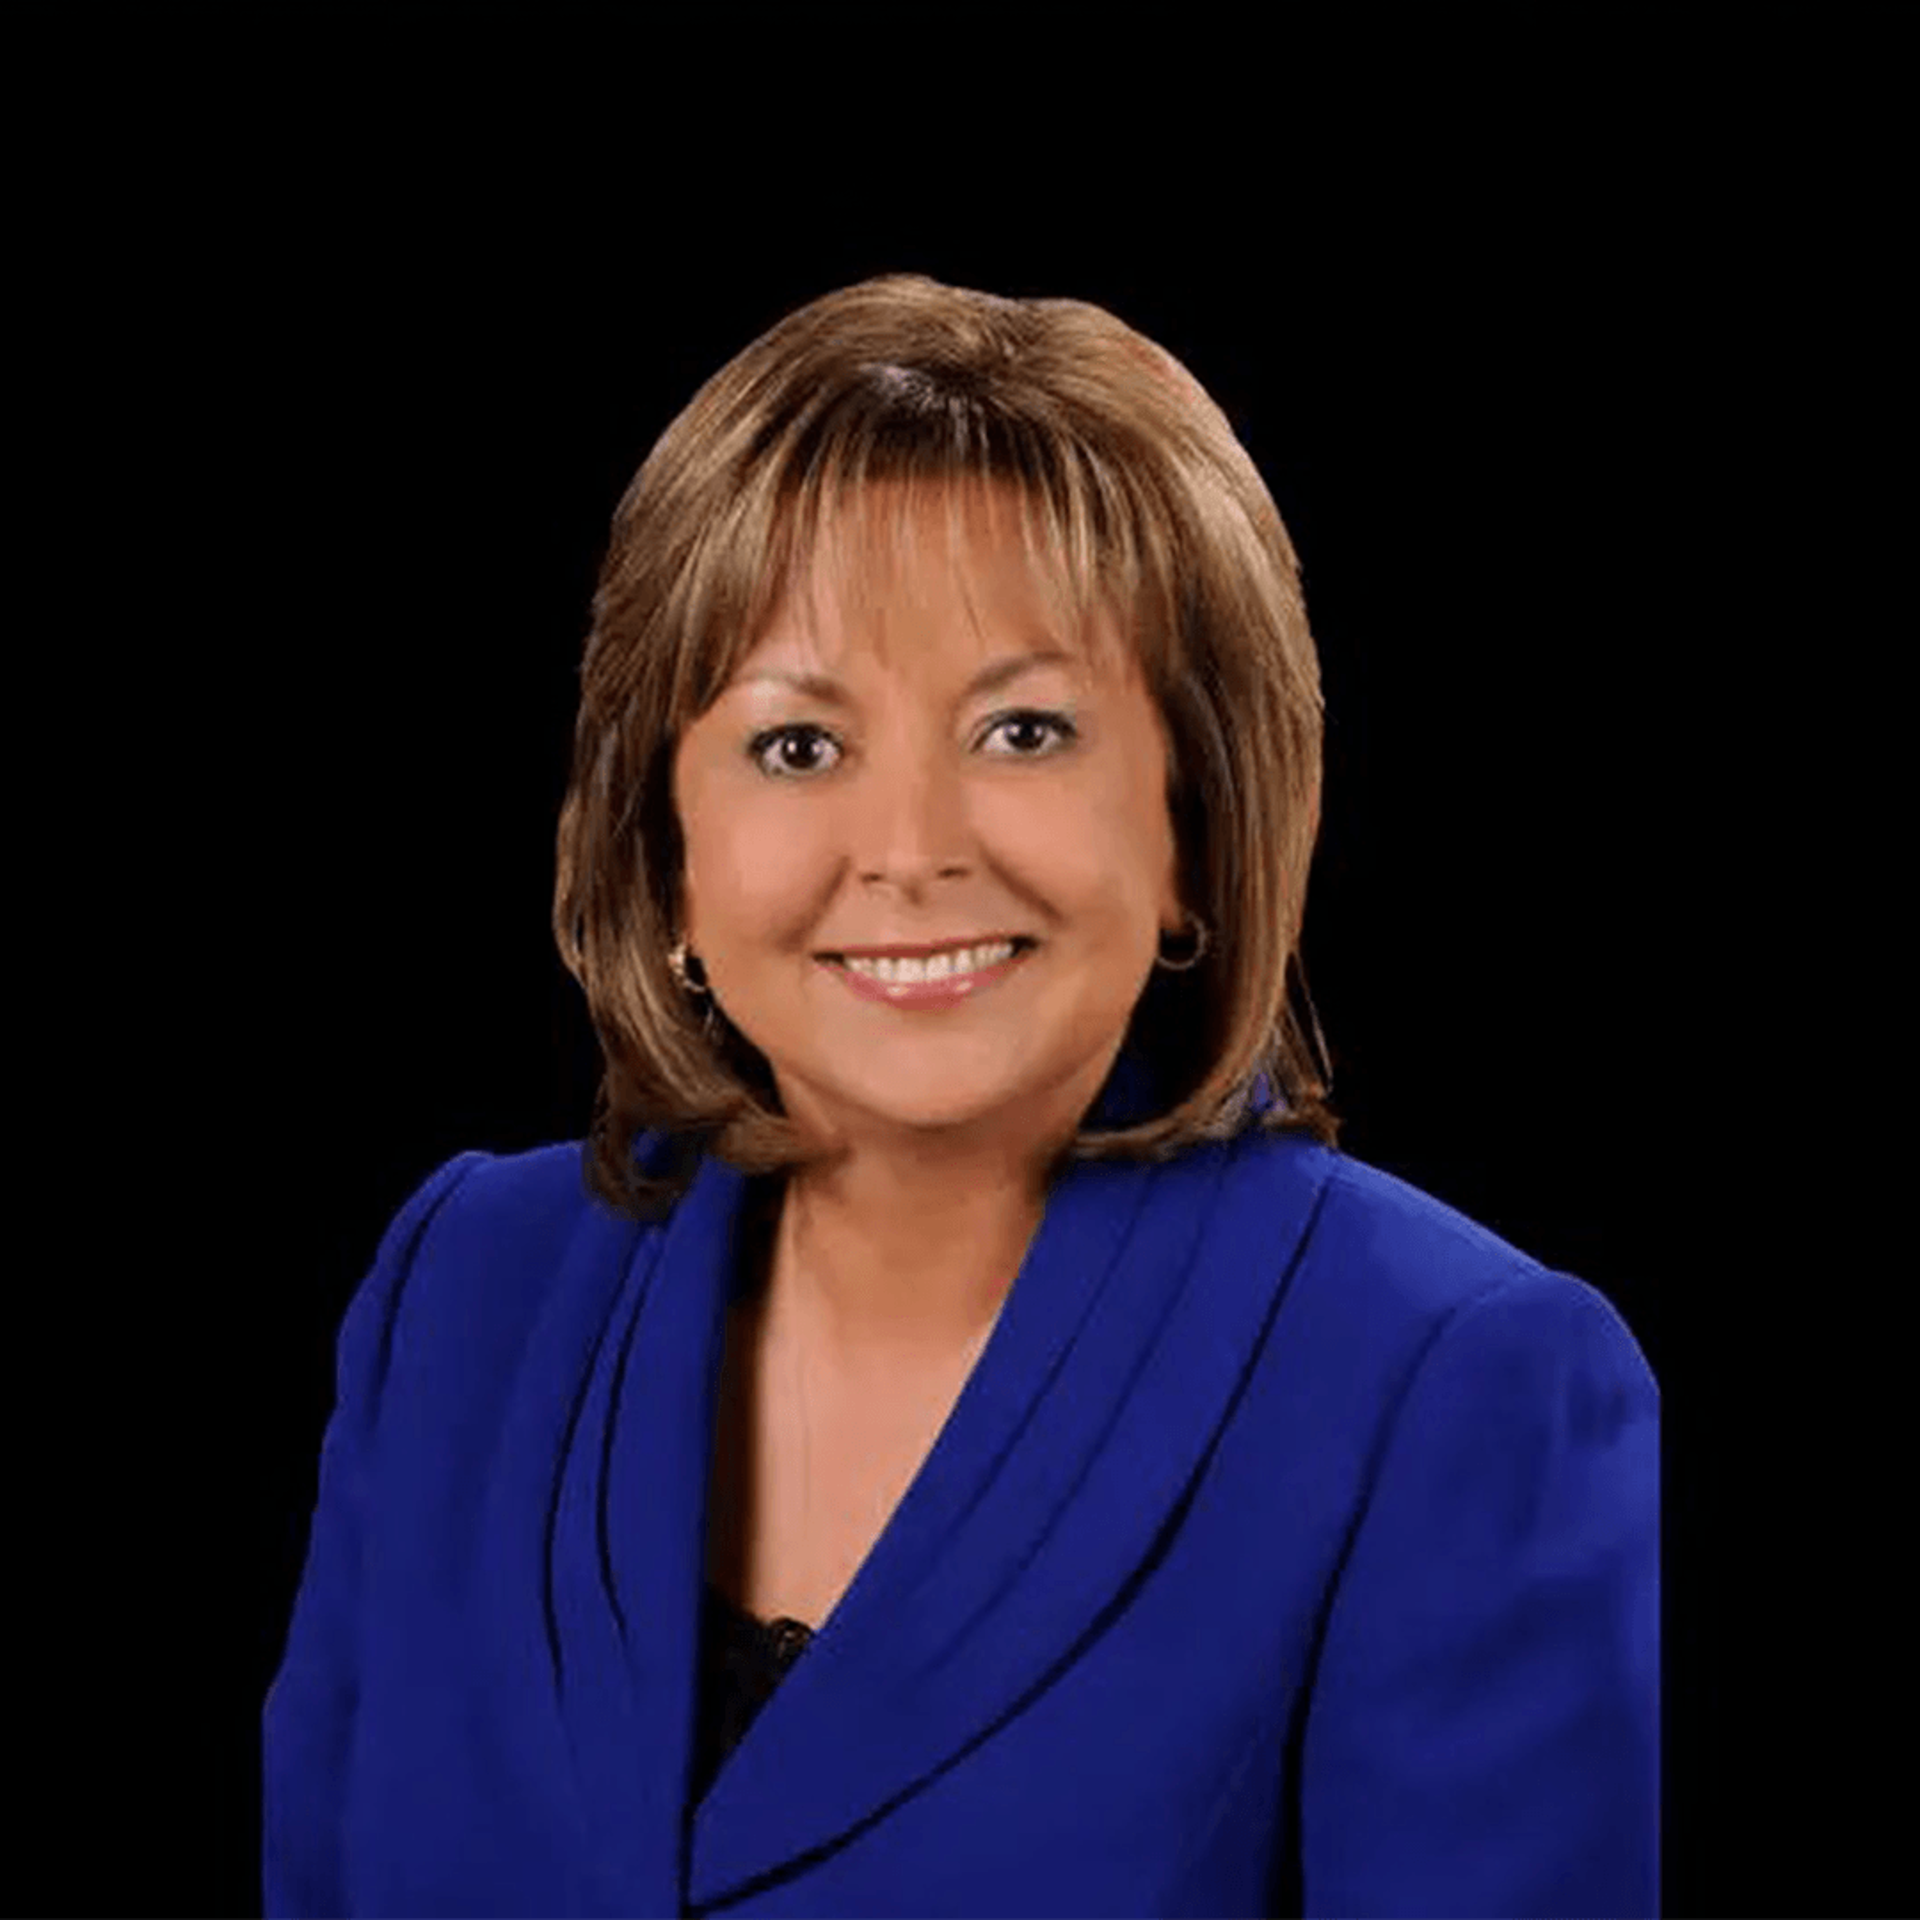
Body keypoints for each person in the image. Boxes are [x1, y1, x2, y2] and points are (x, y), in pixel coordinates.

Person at [262, 273, 1660, 1918]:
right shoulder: (466, 1292)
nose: (911, 848)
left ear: (1194, 827)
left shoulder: (1456, 1386)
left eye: (1023, 730)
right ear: (667, 845)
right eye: (799, 746)